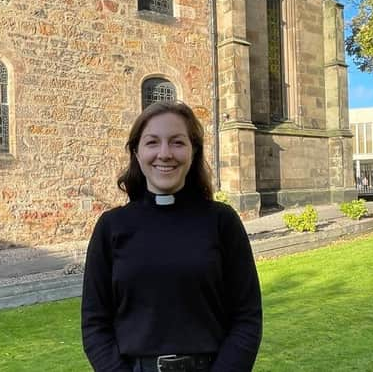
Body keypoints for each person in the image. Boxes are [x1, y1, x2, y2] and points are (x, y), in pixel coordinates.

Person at [81, 101, 262, 372]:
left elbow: (247, 317)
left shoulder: (221, 221)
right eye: (152, 142)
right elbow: (95, 324)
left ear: (193, 151)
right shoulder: (112, 226)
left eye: (177, 142)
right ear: (137, 152)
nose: (164, 154)